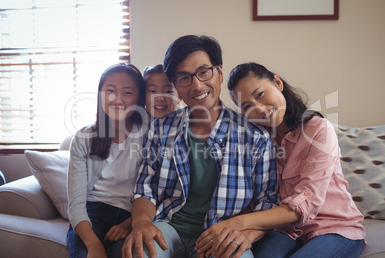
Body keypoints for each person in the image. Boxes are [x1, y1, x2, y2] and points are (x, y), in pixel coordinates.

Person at [121, 35, 279, 258]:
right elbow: (146, 188)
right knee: (139, 252)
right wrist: (141, 223)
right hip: (168, 227)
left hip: (221, 233)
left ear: (220, 72)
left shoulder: (255, 136)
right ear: (175, 84)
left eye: (204, 72)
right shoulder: (161, 128)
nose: (197, 85)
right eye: (184, 78)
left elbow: (268, 200)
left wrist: (247, 233)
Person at [196, 62, 365, 258]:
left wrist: (233, 224)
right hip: (282, 230)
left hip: (333, 227)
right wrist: (248, 234)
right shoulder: (255, 141)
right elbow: (258, 200)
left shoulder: (318, 129)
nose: (259, 109)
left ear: (277, 82)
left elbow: (303, 205)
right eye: (248, 106)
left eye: (259, 94)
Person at [67, 63, 148, 258]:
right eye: (110, 91)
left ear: (139, 97)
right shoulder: (83, 138)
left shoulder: (149, 134)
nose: (117, 99)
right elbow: (76, 203)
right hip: (92, 214)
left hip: (133, 215)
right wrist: (93, 245)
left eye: (127, 92)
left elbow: (157, 192)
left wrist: (130, 223)